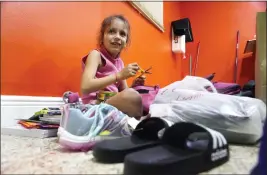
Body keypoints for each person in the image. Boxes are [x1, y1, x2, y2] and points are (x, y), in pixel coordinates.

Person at [80, 14, 145, 118]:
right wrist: (118, 76)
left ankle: (134, 125)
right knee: (133, 97)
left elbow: (124, 92)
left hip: (110, 104)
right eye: (111, 31)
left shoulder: (120, 62)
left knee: (137, 96)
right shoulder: (96, 55)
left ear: (126, 42)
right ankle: (137, 127)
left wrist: (135, 85)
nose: (117, 37)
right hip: (94, 106)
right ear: (102, 37)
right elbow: (85, 87)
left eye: (122, 34)